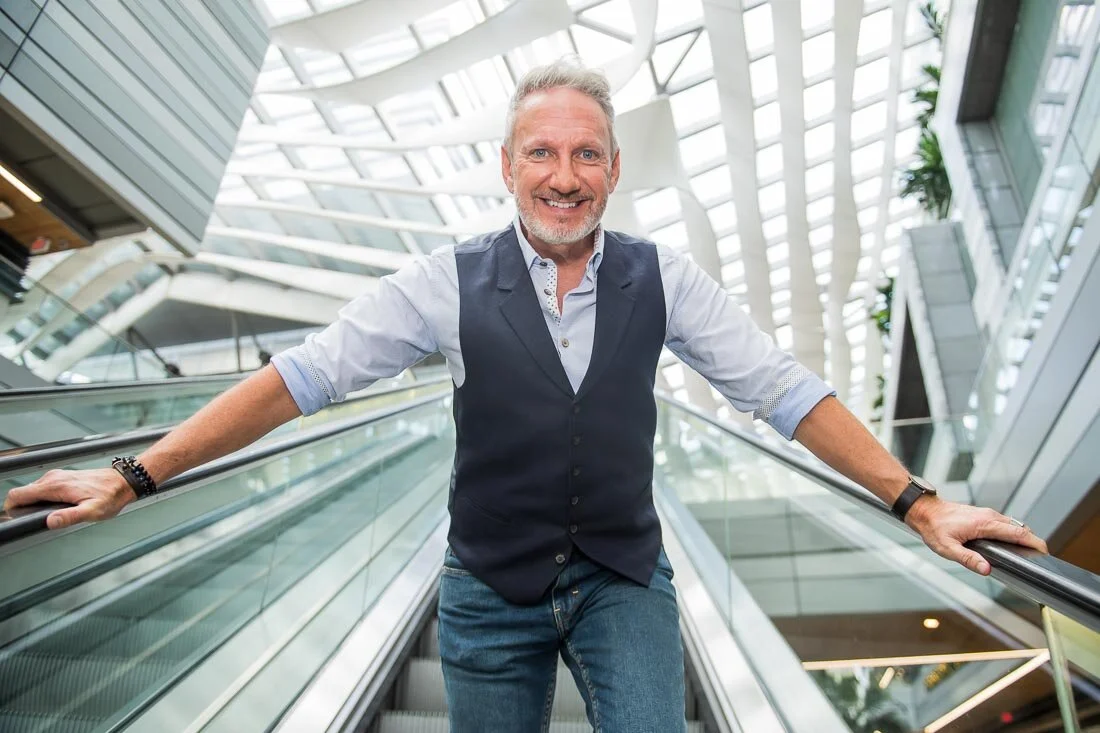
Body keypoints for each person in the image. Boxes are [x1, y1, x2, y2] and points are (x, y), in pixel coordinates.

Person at [5, 60, 1047, 732]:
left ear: (612, 169)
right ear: (505, 167)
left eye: (584, 153)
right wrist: (136, 475)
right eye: (541, 153)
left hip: (621, 578)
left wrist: (914, 499)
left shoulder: (660, 277)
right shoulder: (441, 284)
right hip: (484, 592)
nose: (563, 174)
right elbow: (300, 380)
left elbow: (779, 390)